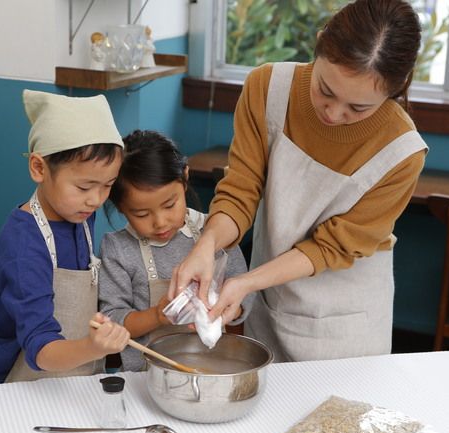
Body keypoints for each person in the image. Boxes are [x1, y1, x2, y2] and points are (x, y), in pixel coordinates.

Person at [169, 0, 428, 362]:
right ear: (319, 44)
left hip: (347, 324)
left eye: (358, 108)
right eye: (325, 90)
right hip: (272, 304)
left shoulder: (402, 151)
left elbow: (330, 247)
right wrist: (206, 245)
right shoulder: (266, 89)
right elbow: (241, 192)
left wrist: (246, 282)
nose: (334, 114)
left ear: (394, 89)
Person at [0, 90, 130, 384]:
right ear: (39, 167)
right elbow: (41, 350)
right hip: (19, 382)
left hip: (71, 374)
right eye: (84, 187)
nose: (96, 200)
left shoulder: (78, 214)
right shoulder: (23, 249)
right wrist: (93, 347)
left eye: (107, 185)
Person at [99, 130, 254, 371]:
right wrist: (157, 316)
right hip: (143, 376)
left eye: (169, 205)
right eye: (141, 214)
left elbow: (244, 294)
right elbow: (112, 319)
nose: (160, 222)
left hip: (211, 368)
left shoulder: (216, 230)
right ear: (120, 207)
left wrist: (221, 307)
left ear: (185, 177)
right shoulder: (117, 248)